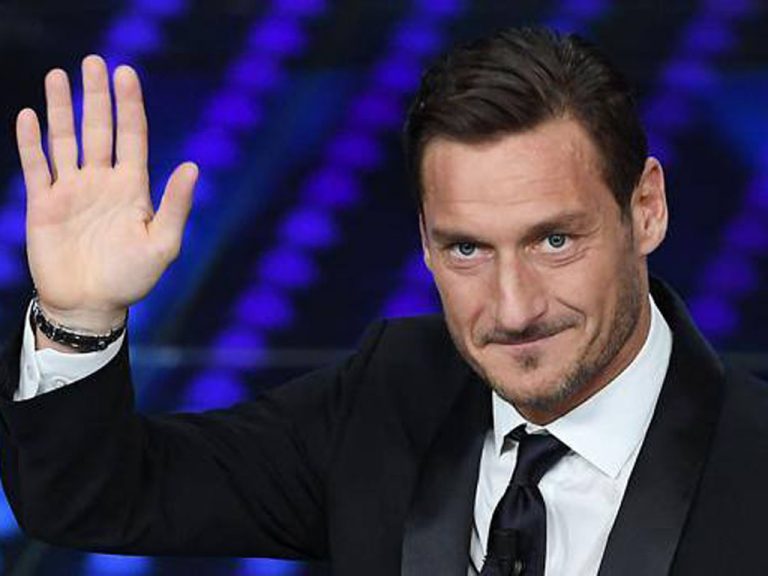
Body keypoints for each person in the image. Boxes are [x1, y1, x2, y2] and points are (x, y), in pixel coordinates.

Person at [1, 26, 767, 576]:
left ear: (646, 209)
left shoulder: (752, 453)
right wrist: (80, 318)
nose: (513, 308)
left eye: (554, 241)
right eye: (467, 249)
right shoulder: (390, 395)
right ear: (426, 242)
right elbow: (96, 499)